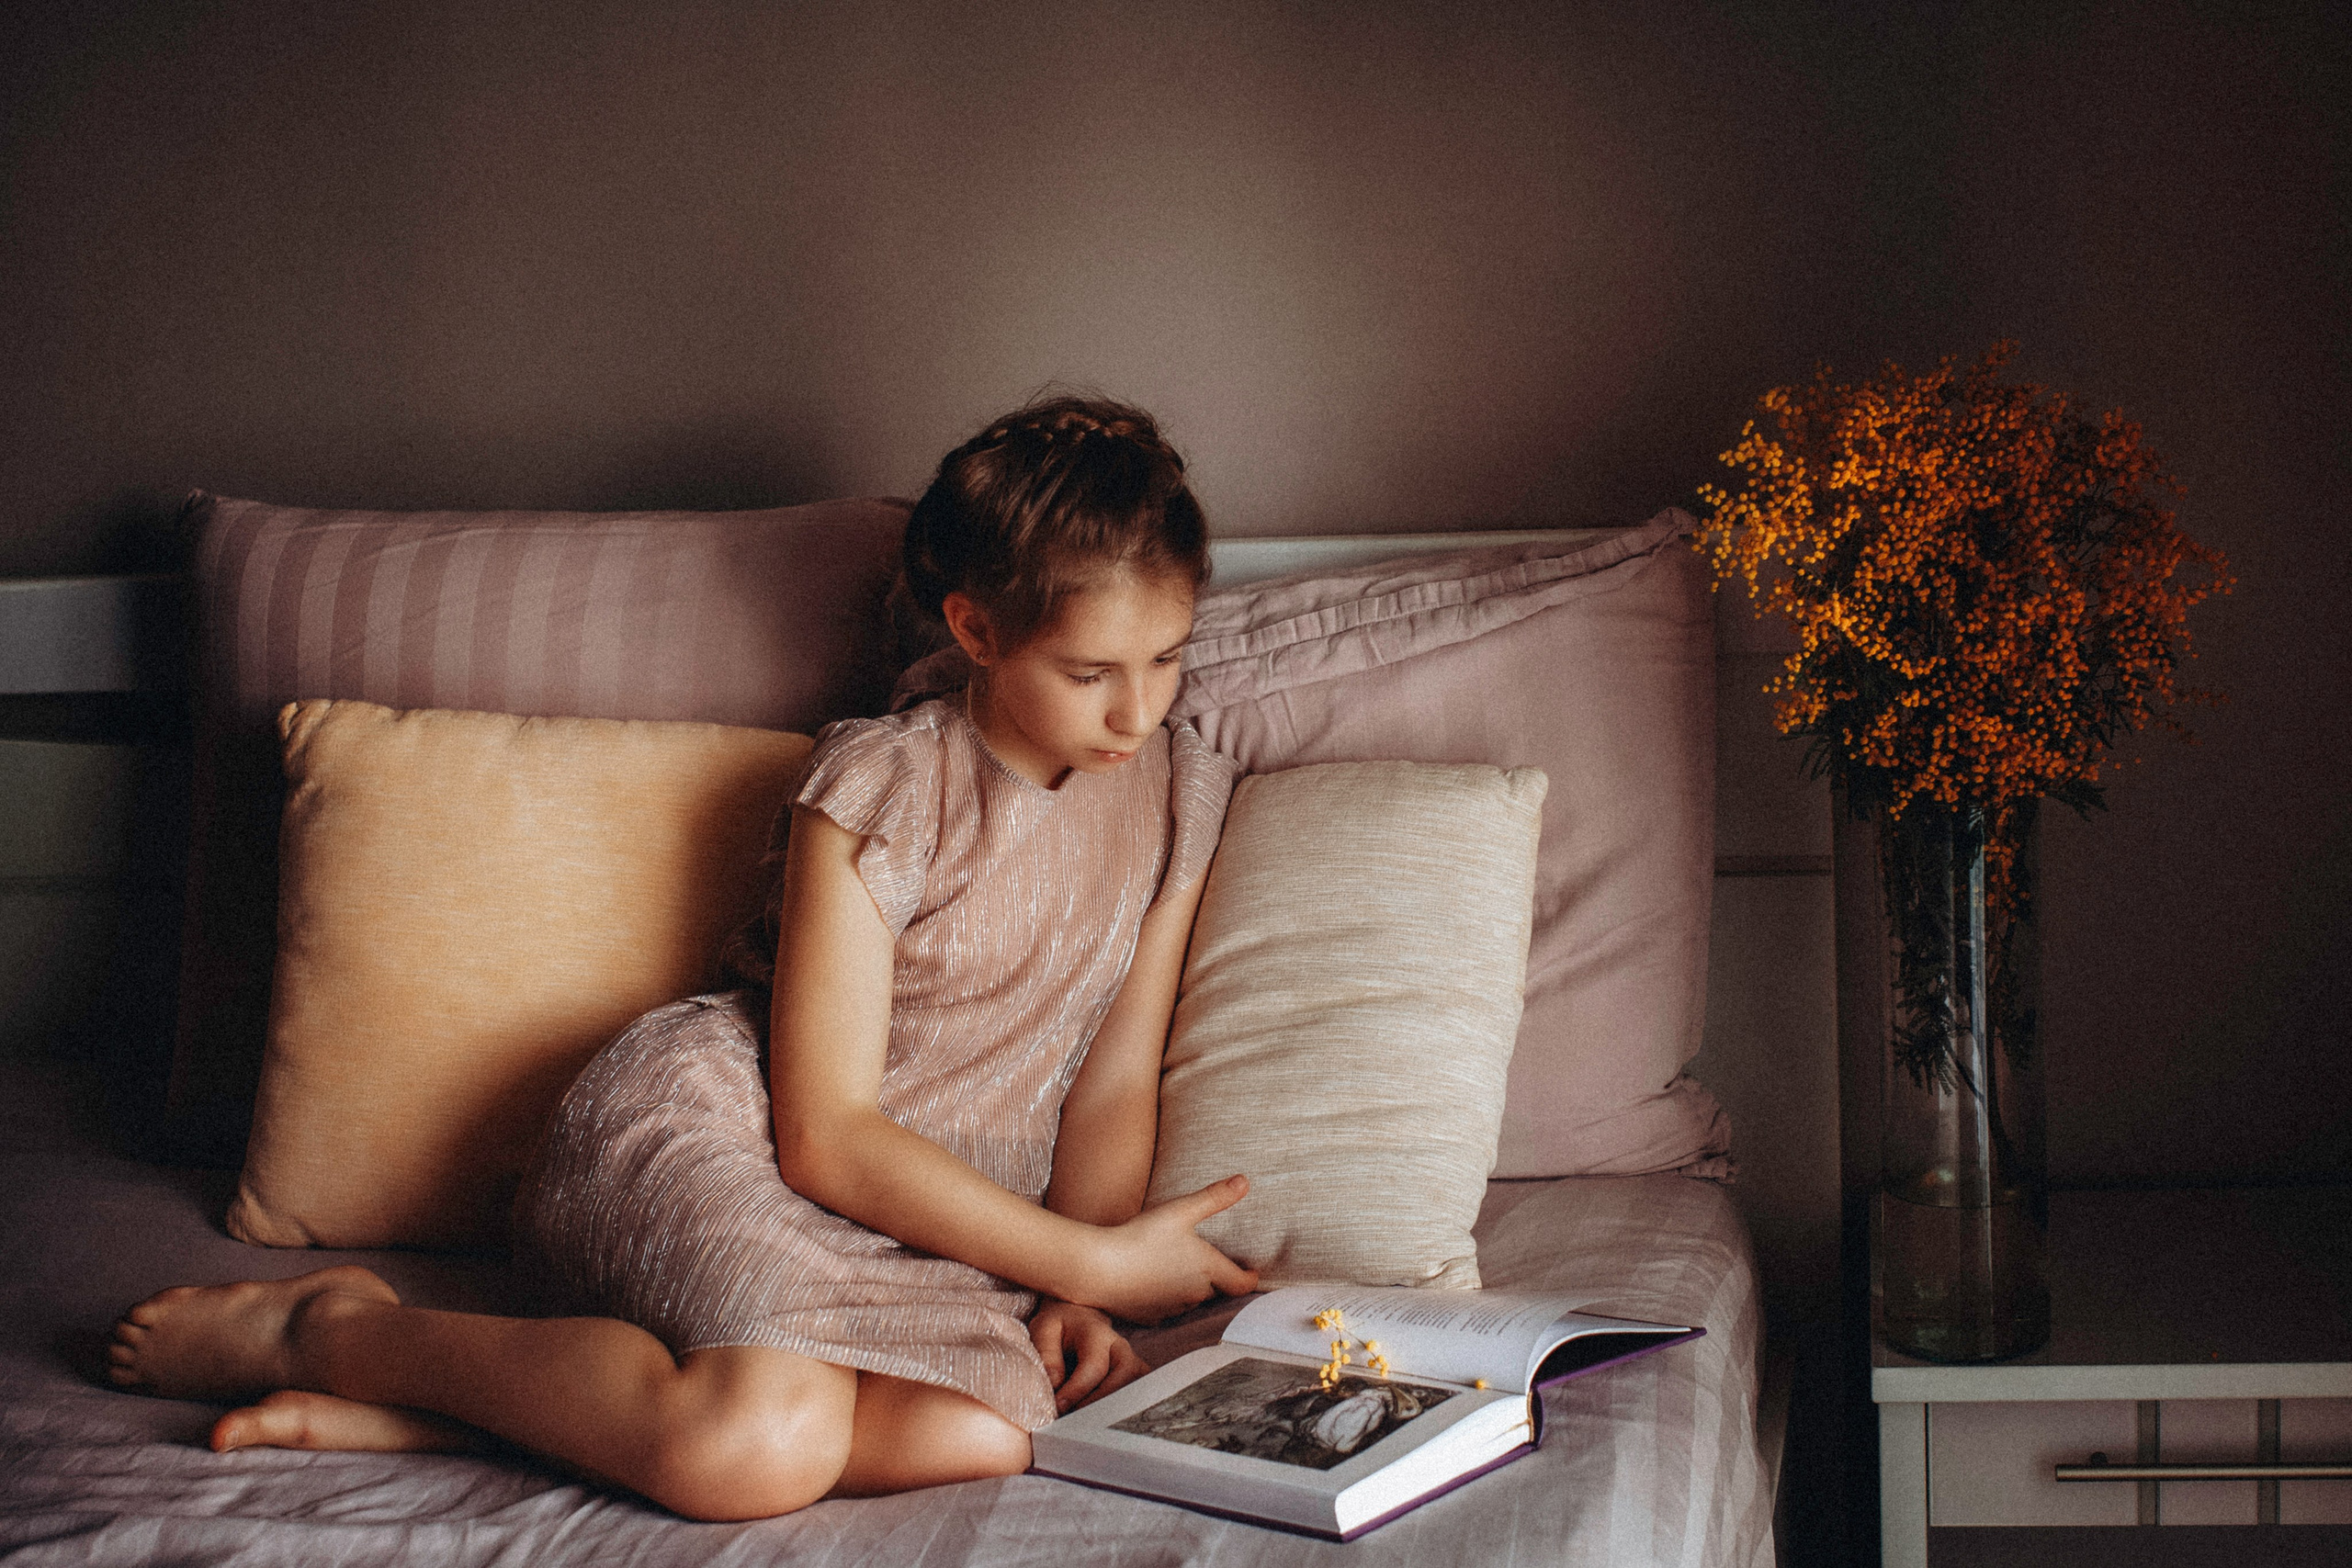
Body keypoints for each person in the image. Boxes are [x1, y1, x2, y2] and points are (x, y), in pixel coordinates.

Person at [104, 397, 1259, 1521]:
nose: (1136, 714)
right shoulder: (884, 788)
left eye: (1164, 659)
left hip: (948, 1220)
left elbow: (1106, 1077)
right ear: (976, 630)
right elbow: (827, 1133)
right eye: (1090, 672)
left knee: (980, 1436)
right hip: (743, 1139)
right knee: (760, 1446)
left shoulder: (1172, 798)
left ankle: (486, 1418)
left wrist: (1071, 1281)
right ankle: (335, 1332)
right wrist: (1100, 1265)